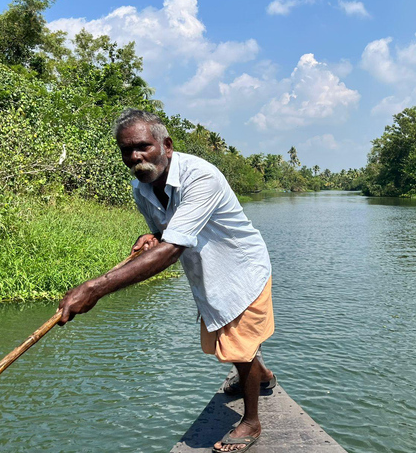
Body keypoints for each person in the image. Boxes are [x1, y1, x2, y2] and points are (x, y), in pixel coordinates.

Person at [57, 108, 276, 453]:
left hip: (240, 267)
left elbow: (173, 249)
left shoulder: (201, 177)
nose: (135, 157)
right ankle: (262, 376)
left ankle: (251, 420)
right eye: (126, 150)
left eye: (143, 146)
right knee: (230, 336)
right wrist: (152, 237)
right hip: (207, 270)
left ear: (167, 145)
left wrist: (95, 288)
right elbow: (165, 234)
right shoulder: (140, 186)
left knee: (240, 342)